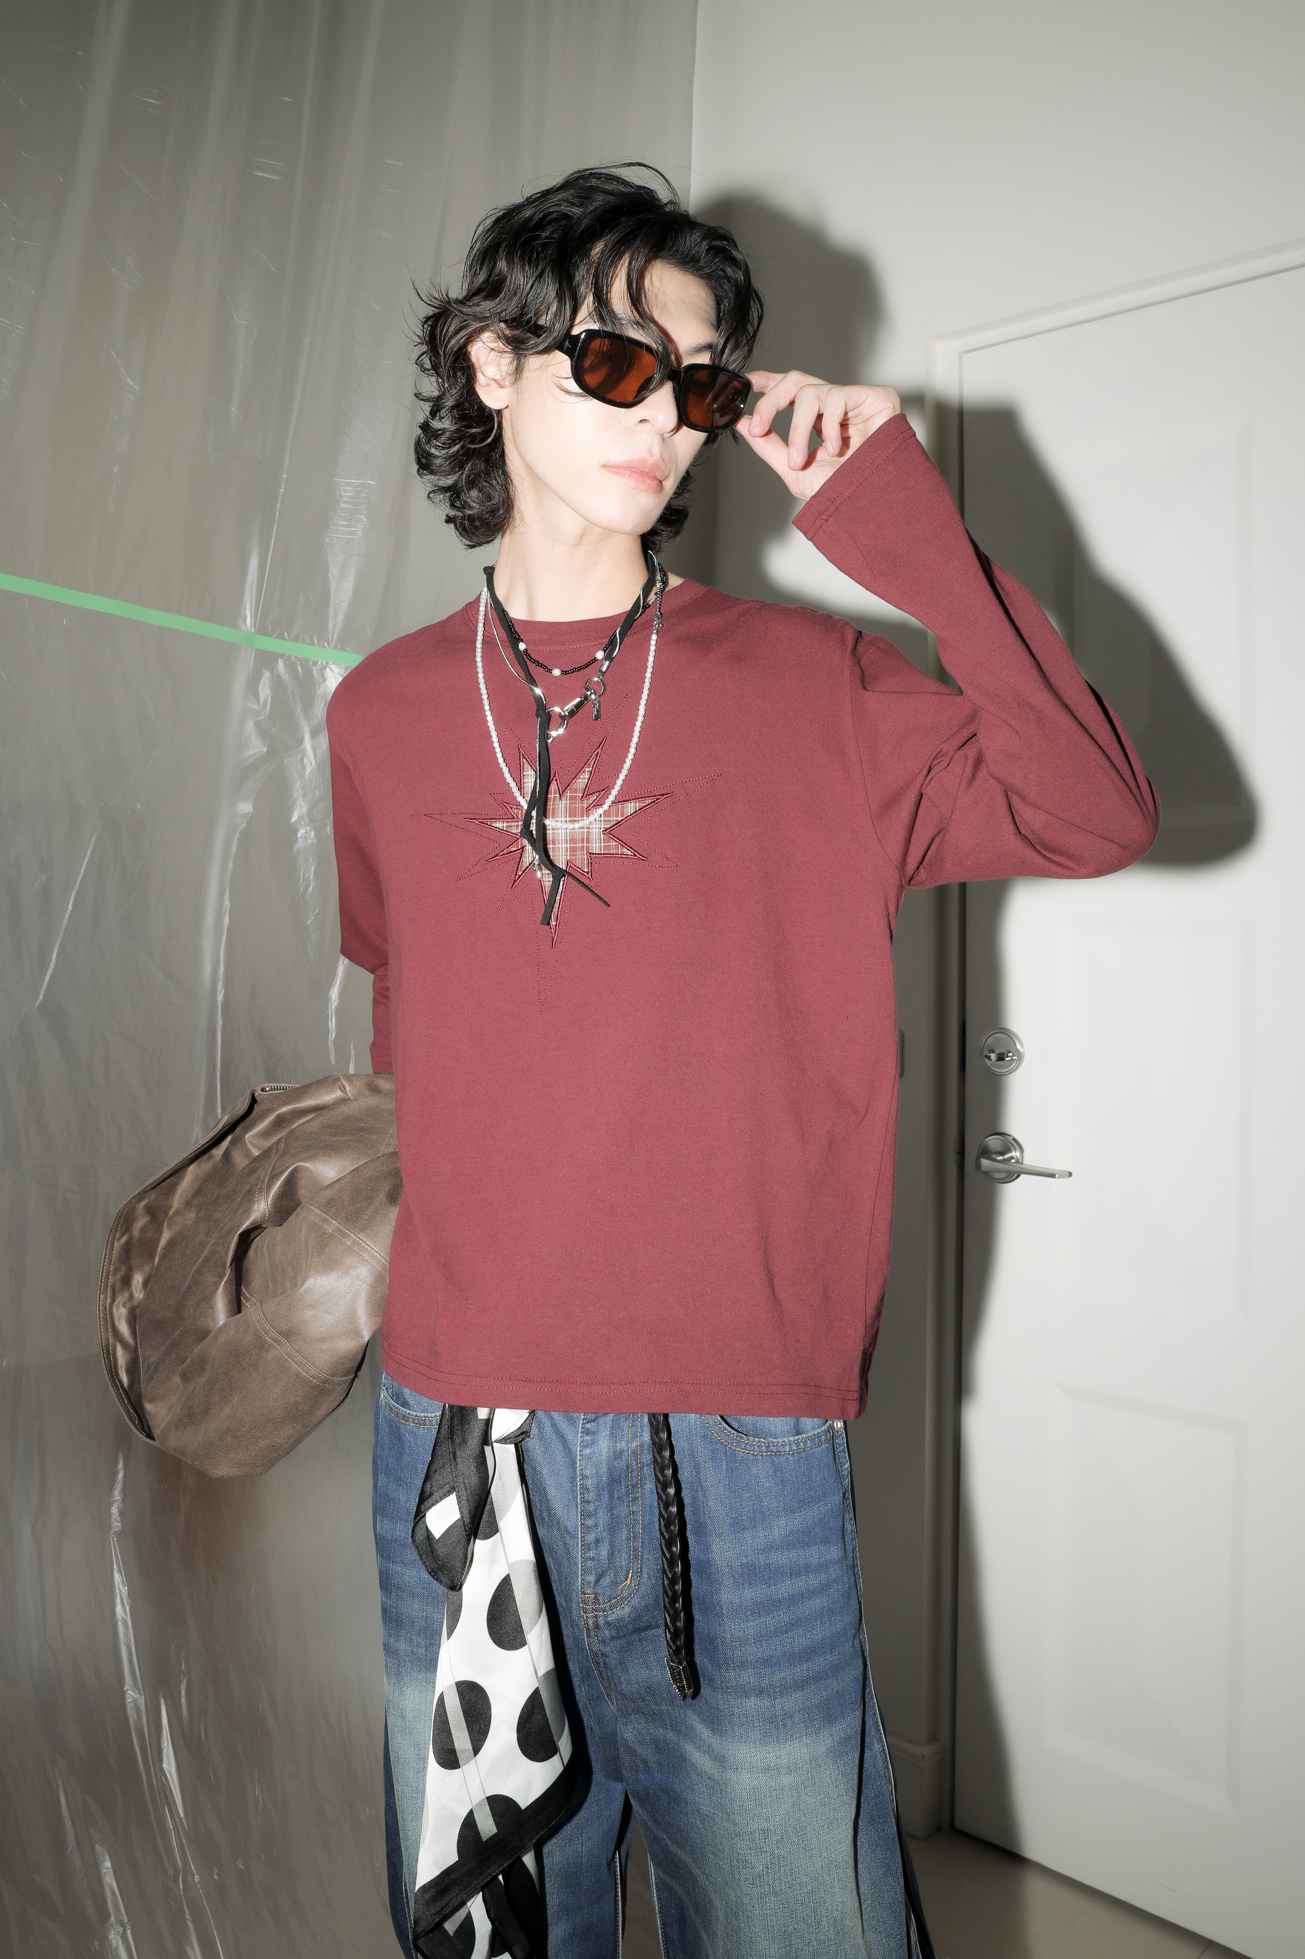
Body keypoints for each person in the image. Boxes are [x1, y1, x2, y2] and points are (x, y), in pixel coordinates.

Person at [326, 163, 1158, 1959]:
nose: (667, 418)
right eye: (620, 365)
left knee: (798, 1925)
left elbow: (1093, 811)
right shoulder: (376, 711)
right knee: (490, 1928)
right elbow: (416, 1028)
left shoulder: (815, 685)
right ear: (491, 364)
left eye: (697, 385)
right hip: (456, 1438)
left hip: (741, 1440)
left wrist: (904, 531)